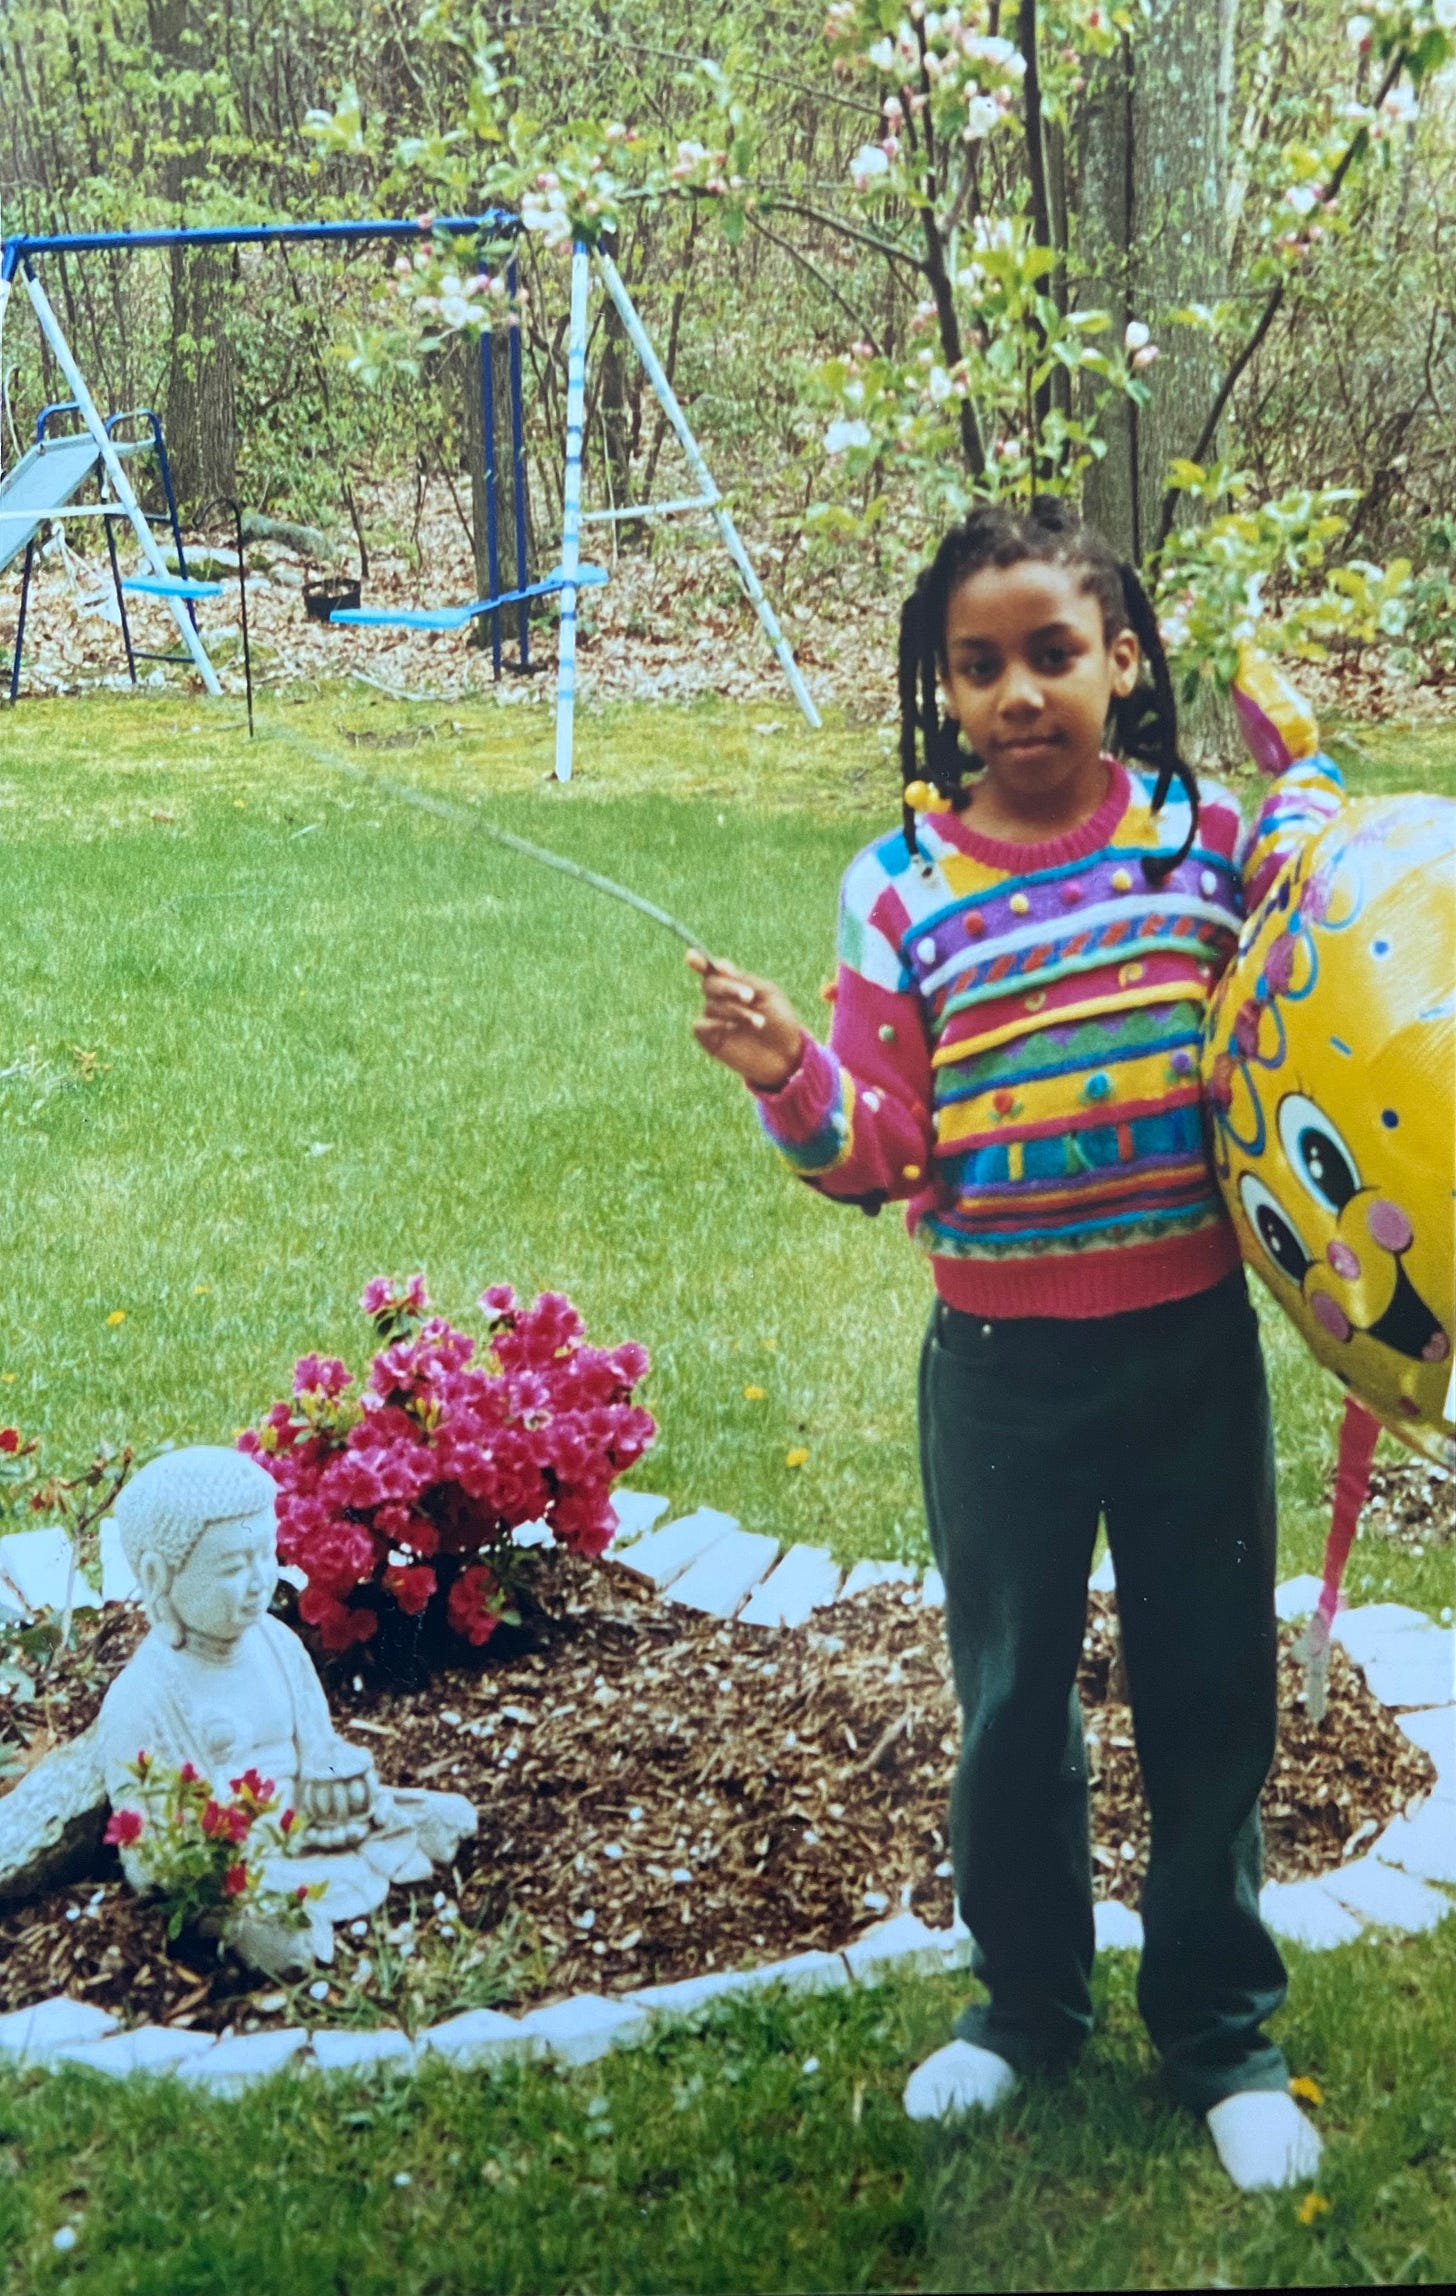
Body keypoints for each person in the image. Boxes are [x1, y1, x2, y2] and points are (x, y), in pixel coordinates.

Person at [688, 497, 1343, 2194]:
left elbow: (1324, 877)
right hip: (999, 1368)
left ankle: (1222, 2034)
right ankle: (1023, 2011)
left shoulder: (1200, 841)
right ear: (945, 696)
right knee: (1007, 1704)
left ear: (1125, 663)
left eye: (1054, 653)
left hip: (1192, 1350)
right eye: (977, 669)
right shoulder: (899, 892)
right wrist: (786, 1079)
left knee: (1211, 1694)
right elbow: (880, 1150)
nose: (1017, 695)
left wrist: (1301, 750)